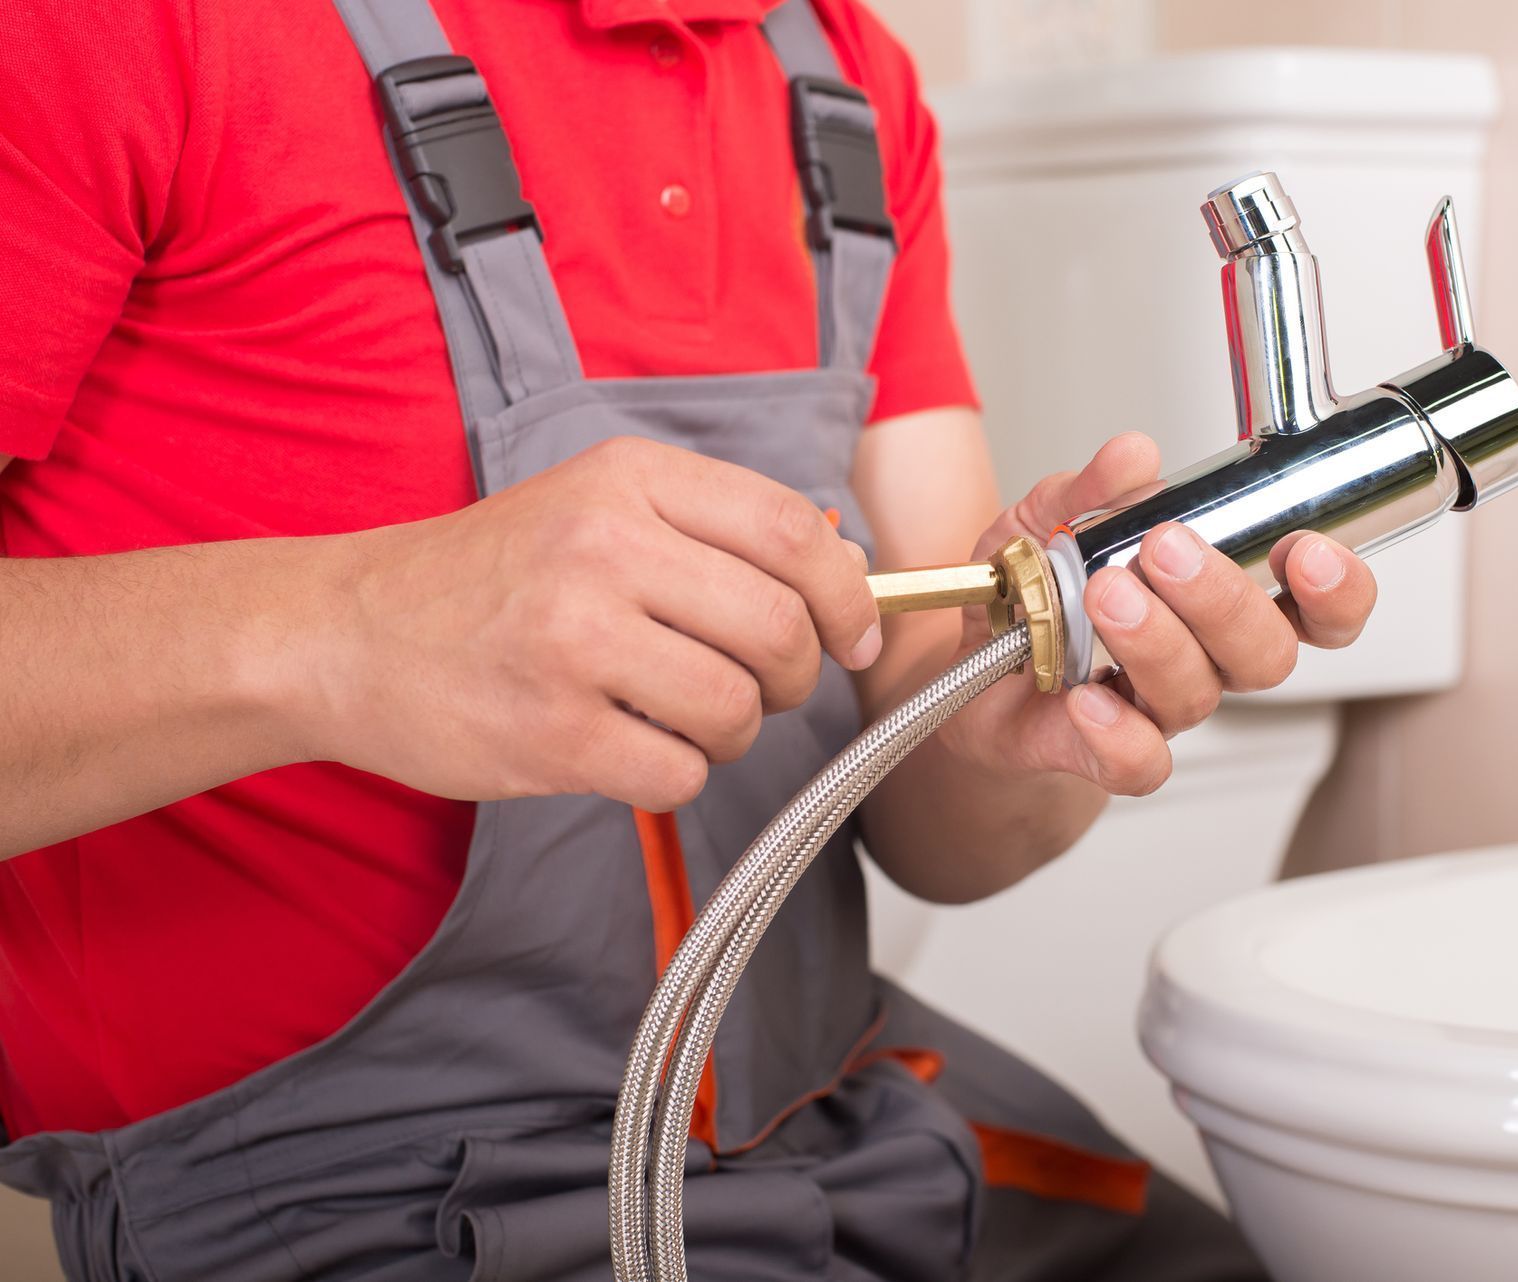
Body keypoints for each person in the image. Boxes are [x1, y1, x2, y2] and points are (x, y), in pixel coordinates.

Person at [0, 1, 1377, 1278]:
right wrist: (345, 631)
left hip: (842, 1119)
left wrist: (1014, 719)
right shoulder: (133, 30)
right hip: (339, 1197)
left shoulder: (845, 82)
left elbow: (932, 808)